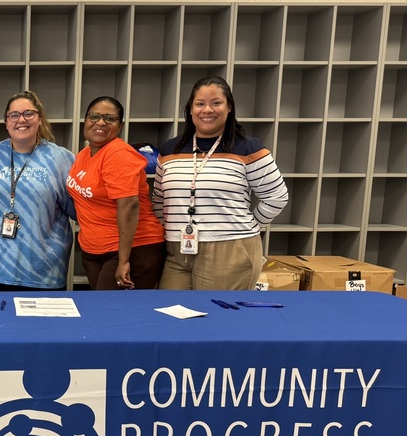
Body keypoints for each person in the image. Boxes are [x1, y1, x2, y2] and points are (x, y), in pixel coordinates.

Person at [152, 75, 289, 290]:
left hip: (230, 249)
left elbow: (277, 196)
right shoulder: (171, 149)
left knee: (215, 317)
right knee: (170, 313)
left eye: (216, 103)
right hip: (178, 249)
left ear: (229, 107)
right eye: (200, 103)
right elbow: (160, 199)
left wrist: (250, 226)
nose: (207, 110)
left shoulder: (248, 148)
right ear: (190, 109)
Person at [0, 90, 76, 291]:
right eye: (14, 115)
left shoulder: (62, 159)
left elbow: (77, 210)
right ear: (6, 121)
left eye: (28, 113)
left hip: (43, 269)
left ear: (40, 118)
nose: (21, 120)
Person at [67, 96, 166, 290]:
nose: (101, 122)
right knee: (104, 313)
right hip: (97, 249)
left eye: (109, 118)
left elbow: (129, 205)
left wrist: (123, 260)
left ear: (119, 126)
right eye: (94, 116)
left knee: (111, 315)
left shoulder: (118, 154)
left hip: (131, 250)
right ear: (85, 121)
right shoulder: (85, 154)